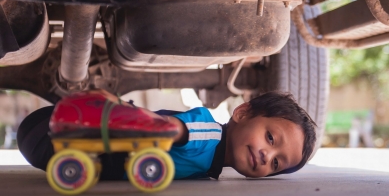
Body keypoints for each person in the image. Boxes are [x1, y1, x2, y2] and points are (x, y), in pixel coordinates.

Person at [17, 90, 316, 180]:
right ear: (243, 113)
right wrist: (122, 111)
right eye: (271, 139)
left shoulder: (211, 162)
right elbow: (176, 129)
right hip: (48, 133)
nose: (267, 155)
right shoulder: (209, 133)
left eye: (276, 164)